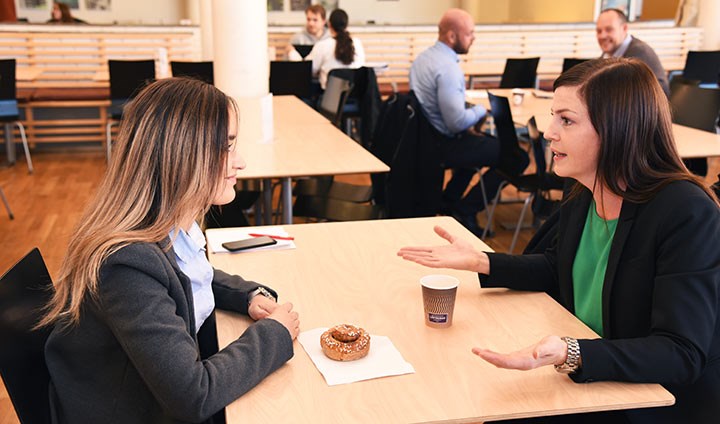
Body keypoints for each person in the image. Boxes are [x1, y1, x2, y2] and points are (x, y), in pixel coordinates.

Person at [398, 58, 720, 423]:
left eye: (566, 120)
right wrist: (482, 261)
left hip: (646, 400)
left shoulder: (684, 211)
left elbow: (681, 353)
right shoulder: (585, 187)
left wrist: (573, 352)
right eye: (554, 116)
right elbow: (557, 266)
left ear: (617, 128)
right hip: (589, 378)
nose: (549, 131)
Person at [40, 78, 300, 424]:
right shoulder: (126, 265)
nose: (240, 162)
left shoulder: (162, 226)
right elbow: (193, 395)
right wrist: (274, 335)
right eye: (226, 147)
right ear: (181, 156)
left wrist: (245, 294)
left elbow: (182, 276)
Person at [409, 8, 527, 237]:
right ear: (452, 36)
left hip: (427, 140)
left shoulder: (423, 59)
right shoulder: (448, 68)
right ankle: (466, 209)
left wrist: (470, 115)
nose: (473, 38)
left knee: (480, 145)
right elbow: (456, 123)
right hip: (444, 143)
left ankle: (450, 201)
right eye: (470, 33)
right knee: (516, 157)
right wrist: (482, 109)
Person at [596, 8, 669, 97]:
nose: (602, 36)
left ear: (624, 28)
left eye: (609, 29)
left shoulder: (640, 53)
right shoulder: (607, 55)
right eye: (599, 31)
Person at [308, 8, 365, 90]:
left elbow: (309, 70)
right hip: (355, 98)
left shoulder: (322, 45)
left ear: (329, 24)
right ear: (346, 25)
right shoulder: (357, 44)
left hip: (329, 99)